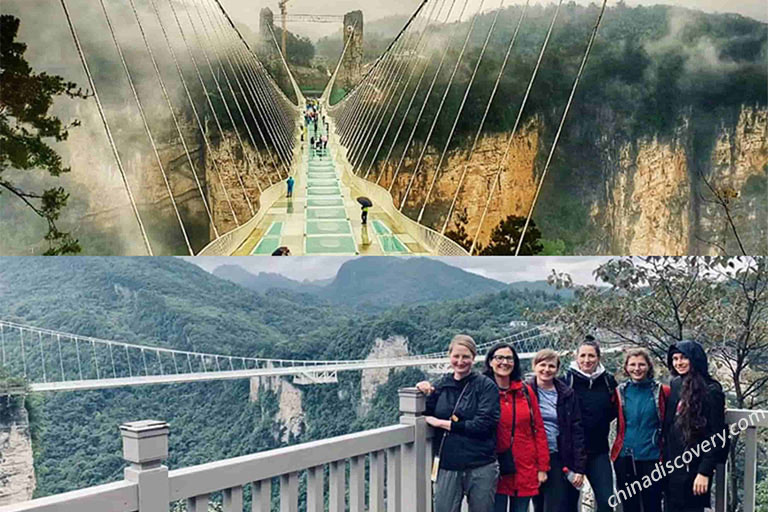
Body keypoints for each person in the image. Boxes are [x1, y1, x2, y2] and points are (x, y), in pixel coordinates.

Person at [415, 335, 500, 512]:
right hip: (448, 464)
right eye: (456, 356)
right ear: (449, 356)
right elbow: (425, 413)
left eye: (466, 357)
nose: (460, 361)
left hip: (481, 465)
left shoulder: (486, 386)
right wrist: (422, 390)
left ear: (473, 358)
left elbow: (483, 425)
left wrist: (443, 424)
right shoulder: (441, 385)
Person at [662, 341, 727, 512]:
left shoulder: (711, 390)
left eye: (684, 358)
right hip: (673, 465)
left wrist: (705, 472)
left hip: (696, 466)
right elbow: (669, 425)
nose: (679, 363)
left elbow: (716, 435)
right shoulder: (676, 384)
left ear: (695, 359)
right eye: (675, 359)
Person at [484, 343, 549, 512]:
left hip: (524, 466)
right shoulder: (482, 391)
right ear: (490, 362)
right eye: (499, 357)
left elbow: (539, 430)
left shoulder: (525, 392)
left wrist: (542, 467)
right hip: (493, 465)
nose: (504, 362)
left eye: (509, 358)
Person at [527, 349, 587, 512]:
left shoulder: (567, 394)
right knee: (538, 504)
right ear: (534, 366)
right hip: (531, 458)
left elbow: (576, 431)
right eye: (542, 365)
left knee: (556, 504)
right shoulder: (524, 392)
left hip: (558, 456)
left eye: (551, 366)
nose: (546, 369)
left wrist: (579, 467)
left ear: (557, 370)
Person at [610, 348, 669, 512]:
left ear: (649, 367)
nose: (637, 369)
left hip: (653, 456)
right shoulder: (620, 392)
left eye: (641, 364)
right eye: (632, 364)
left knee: (653, 504)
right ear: (626, 367)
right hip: (625, 457)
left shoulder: (662, 391)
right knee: (630, 506)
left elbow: (683, 408)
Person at [564, 336, 618, 512]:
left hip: (599, 451)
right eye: (583, 356)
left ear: (598, 358)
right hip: (571, 454)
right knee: (568, 505)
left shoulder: (608, 382)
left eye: (591, 356)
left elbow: (615, 411)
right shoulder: (566, 381)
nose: (587, 360)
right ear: (576, 357)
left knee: (606, 501)